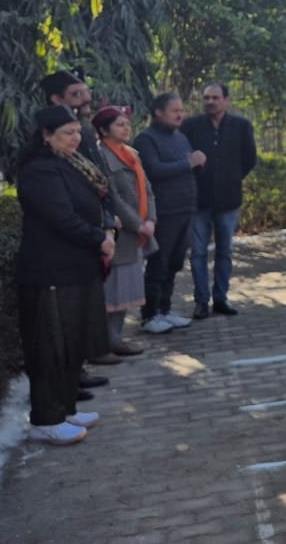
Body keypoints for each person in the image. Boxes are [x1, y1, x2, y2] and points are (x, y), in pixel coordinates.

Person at [16, 105, 111, 444]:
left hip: (76, 268)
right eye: (67, 133)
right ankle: (46, 418)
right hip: (50, 271)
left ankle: (66, 408)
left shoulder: (68, 163)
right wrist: (99, 238)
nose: (76, 138)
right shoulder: (39, 170)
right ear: (46, 135)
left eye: (77, 132)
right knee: (50, 348)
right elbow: (61, 217)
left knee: (72, 344)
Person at [180, 83, 256, 320]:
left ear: (226, 100)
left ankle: (221, 298)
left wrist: (231, 178)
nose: (210, 102)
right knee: (198, 253)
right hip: (199, 200)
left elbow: (249, 159)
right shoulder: (191, 126)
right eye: (206, 98)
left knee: (225, 251)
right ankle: (201, 300)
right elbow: (183, 155)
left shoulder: (241, 126)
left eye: (215, 97)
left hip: (228, 200)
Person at [134, 93, 201, 335]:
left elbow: (188, 165)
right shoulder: (146, 139)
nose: (180, 115)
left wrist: (196, 163)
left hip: (185, 209)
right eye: (174, 110)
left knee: (174, 263)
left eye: (181, 110)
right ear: (158, 112)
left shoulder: (181, 137)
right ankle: (150, 314)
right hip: (163, 212)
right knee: (159, 264)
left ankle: (165, 309)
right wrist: (189, 163)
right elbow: (153, 170)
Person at [93, 106, 153, 358]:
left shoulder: (132, 153)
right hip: (120, 231)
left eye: (127, 123)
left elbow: (147, 190)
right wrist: (137, 224)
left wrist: (151, 219)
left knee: (127, 289)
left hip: (137, 232)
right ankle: (107, 341)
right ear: (104, 130)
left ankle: (116, 338)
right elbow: (113, 198)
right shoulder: (100, 156)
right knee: (113, 291)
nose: (126, 128)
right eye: (119, 124)